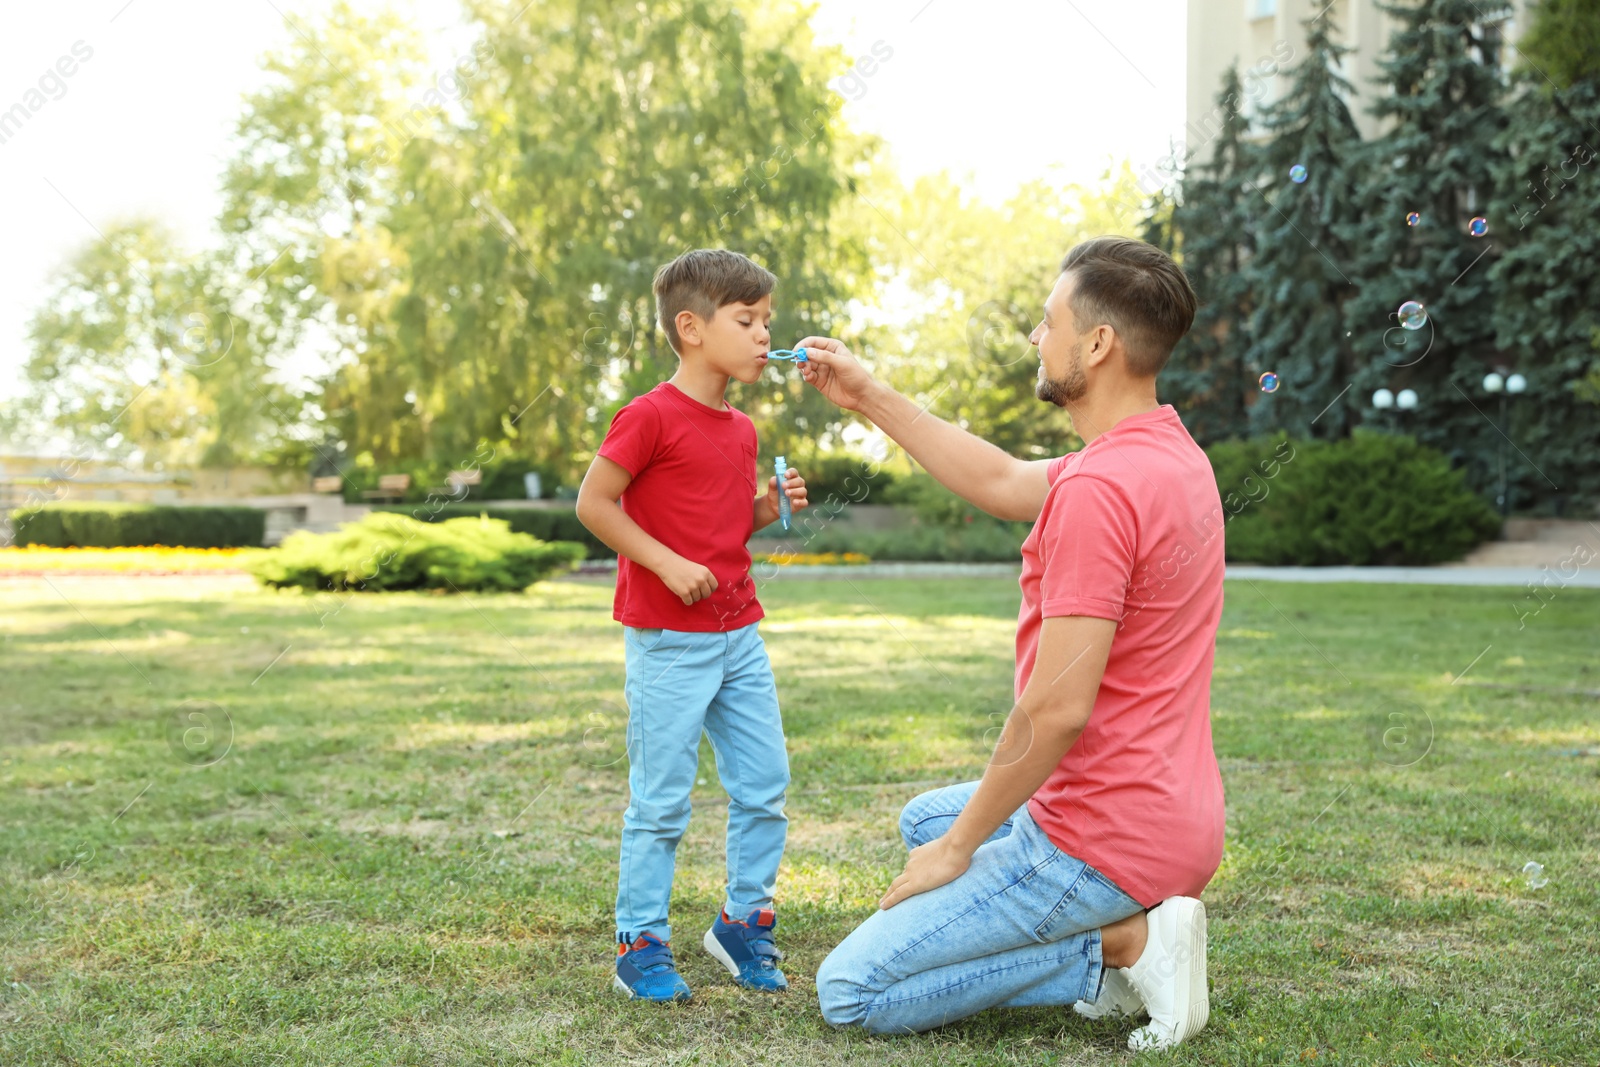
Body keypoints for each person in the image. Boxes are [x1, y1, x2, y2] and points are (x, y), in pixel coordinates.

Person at [798, 236, 1225, 1052]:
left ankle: (1121, 946)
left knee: (851, 988)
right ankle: (1131, 919)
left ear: (1096, 344)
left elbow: (1058, 707)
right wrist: (867, 394)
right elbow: (999, 482)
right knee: (923, 815)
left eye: (1048, 320)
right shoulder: (1167, 454)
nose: (1037, 336)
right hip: (1176, 815)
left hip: (1100, 837)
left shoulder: (1099, 490)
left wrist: (960, 851)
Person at [575, 248, 809, 1002]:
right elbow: (594, 504)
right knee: (662, 798)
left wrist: (767, 512)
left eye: (766, 320)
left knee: (765, 782)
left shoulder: (740, 430)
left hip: (738, 633)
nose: (762, 335)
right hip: (669, 641)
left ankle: (743, 923)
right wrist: (668, 565)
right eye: (747, 321)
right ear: (692, 327)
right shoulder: (647, 416)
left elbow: (720, 523)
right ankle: (638, 941)